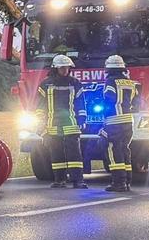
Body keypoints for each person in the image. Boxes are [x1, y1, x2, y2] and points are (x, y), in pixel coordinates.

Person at [79, 54, 141, 191]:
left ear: (109, 69)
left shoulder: (110, 82)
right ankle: (127, 181)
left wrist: (103, 110)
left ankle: (118, 183)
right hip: (128, 122)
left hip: (114, 122)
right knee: (125, 150)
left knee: (112, 150)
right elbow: (136, 103)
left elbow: (109, 99)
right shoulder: (130, 83)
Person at [39, 53, 82, 188]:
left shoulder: (75, 83)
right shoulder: (45, 84)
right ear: (55, 68)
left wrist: (82, 120)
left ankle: (78, 181)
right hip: (53, 125)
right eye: (62, 68)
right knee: (56, 154)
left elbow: (80, 104)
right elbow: (40, 106)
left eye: (67, 68)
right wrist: (41, 125)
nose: (65, 70)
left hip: (71, 124)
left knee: (74, 154)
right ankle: (59, 180)